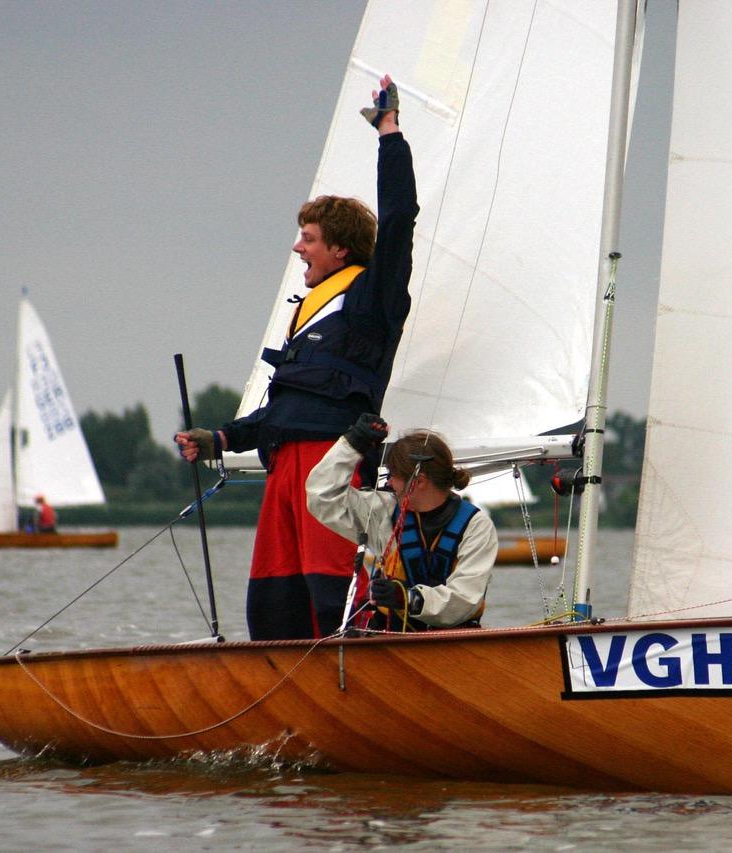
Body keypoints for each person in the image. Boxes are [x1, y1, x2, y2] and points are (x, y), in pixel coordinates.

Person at [176, 74, 418, 641]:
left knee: (333, 590)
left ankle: (358, 659)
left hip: (331, 463)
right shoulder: (304, 313)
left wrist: (389, 132)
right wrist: (220, 438)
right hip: (284, 465)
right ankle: (277, 669)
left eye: (307, 238)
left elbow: (399, 219)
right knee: (275, 593)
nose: (297, 247)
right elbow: (286, 408)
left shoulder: (372, 296)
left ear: (340, 248)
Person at [306, 414, 498, 632]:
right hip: (390, 637)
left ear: (419, 481)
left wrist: (406, 598)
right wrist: (353, 443)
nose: (388, 482)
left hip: (454, 641)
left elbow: (465, 598)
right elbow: (322, 496)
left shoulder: (476, 527)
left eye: (392, 475)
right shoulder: (383, 511)